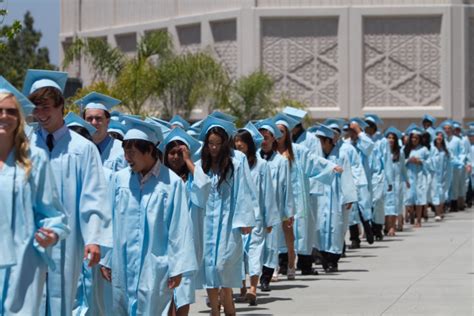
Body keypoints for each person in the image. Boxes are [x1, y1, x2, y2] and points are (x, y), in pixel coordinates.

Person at [24, 69, 111, 315]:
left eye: (46, 107)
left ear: (61, 106)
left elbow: (94, 195)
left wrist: (94, 238)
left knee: (66, 300)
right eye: (36, 108)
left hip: (69, 241)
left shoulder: (82, 149)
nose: (40, 114)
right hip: (31, 239)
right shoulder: (25, 147)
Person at [106, 117, 197, 315]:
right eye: (125, 150)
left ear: (148, 150)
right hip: (122, 262)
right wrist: (107, 258)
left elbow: (179, 228)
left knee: (152, 309)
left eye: (132, 151)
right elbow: (109, 219)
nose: (127, 157)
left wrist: (178, 267)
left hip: (155, 265)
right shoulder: (119, 180)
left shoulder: (170, 183)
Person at [0, 77, 70, 315]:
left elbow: (52, 213)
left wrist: (52, 233)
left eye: (11, 111)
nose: (4, 116)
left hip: (23, 262)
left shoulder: (34, 159)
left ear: (19, 117)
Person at [196, 116, 257, 316]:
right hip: (205, 224)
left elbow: (244, 190)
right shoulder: (202, 163)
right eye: (210, 144)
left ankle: (228, 303)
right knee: (209, 267)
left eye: (218, 144)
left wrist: (245, 220)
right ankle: (215, 310)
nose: (214, 148)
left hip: (229, 222)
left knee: (224, 266)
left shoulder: (236, 161)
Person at [159, 127, 211, 316]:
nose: (175, 157)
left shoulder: (192, 179)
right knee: (167, 291)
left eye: (180, 154)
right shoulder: (161, 178)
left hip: (188, 242)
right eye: (172, 153)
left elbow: (205, 187)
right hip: (165, 241)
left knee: (184, 289)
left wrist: (189, 161)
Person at [234, 123, 280, 305]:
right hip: (237, 217)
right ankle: (242, 287)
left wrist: (270, 218)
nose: (238, 145)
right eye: (235, 141)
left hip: (256, 217)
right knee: (238, 254)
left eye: (241, 141)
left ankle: (253, 288)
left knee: (254, 252)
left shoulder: (261, 166)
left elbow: (268, 193)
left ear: (250, 144)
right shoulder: (233, 163)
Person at [255, 119, 294, 291]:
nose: (263, 140)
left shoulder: (281, 161)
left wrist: (288, 212)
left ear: (273, 139)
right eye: (261, 137)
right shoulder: (252, 159)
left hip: (273, 209)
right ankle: (253, 279)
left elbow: (286, 187)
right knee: (255, 246)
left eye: (266, 137)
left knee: (271, 245)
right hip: (254, 210)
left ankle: (266, 278)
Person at [315, 124, 357, 272]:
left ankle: (333, 260)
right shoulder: (317, 157)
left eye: (321, 141)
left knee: (335, 227)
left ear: (327, 141)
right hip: (320, 198)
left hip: (336, 197)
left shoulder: (341, 155)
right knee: (320, 227)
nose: (319, 144)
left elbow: (347, 177)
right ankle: (323, 258)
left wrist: (349, 197)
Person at [77, 92, 127, 172]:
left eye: (98, 118)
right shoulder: (78, 149)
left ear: (107, 122)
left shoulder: (121, 151)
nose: (93, 123)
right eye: (89, 119)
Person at [346, 118, 375, 248]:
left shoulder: (364, 142)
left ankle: (368, 229)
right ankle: (354, 238)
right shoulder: (346, 144)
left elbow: (369, 147)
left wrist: (359, 132)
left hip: (362, 179)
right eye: (350, 130)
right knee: (351, 210)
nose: (352, 133)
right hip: (349, 179)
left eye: (354, 131)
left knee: (363, 207)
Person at [404, 125, 431, 227]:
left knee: (419, 198)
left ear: (419, 139)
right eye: (412, 137)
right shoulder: (406, 149)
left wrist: (420, 161)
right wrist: (409, 160)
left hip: (420, 176)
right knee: (409, 197)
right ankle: (411, 215)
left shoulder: (424, 150)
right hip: (409, 176)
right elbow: (401, 162)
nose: (414, 139)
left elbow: (430, 163)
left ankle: (418, 220)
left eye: (416, 138)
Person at [383, 127, 408, 235]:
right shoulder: (383, 152)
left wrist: (406, 180)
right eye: (389, 137)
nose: (391, 140)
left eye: (393, 138)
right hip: (385, 182)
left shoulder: (400, 153)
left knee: (395, 204)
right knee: (385, 205)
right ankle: (386, 226)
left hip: (396, 182)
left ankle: (392, 227)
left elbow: (403, 168)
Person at [430, 129, 450, 221]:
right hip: (434, 175)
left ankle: (440, 211)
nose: (439, 137)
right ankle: (437, 213)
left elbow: (449, 164)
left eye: (441, 136)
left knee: (442, 193)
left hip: (444, 175)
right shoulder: (431, 149)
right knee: (435, 193)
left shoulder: (445, 150)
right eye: (437, 135)